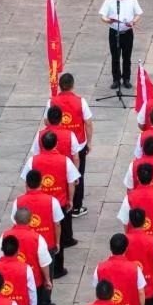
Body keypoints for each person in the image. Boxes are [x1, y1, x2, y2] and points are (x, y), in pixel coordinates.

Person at [48, 73, 93, 217]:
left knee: (59, 174)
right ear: (73, 85)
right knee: (78, 174)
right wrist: (89, 142)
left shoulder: (52, 101)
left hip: (56, 145)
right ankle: (76, 206)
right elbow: (88, 123)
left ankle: (60, 202)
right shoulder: (81, 101)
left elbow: (46, 121)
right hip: (78, 144)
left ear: (60, 86)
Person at [100, 0, 142, 90]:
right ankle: (116, 79)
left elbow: (138, 14)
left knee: (127, 57)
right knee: (115, 57)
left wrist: (133, 21)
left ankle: (126, 79)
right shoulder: (109, 0)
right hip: (114, 32)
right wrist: (108, 20)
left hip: (127, 32)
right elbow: (103, 16)